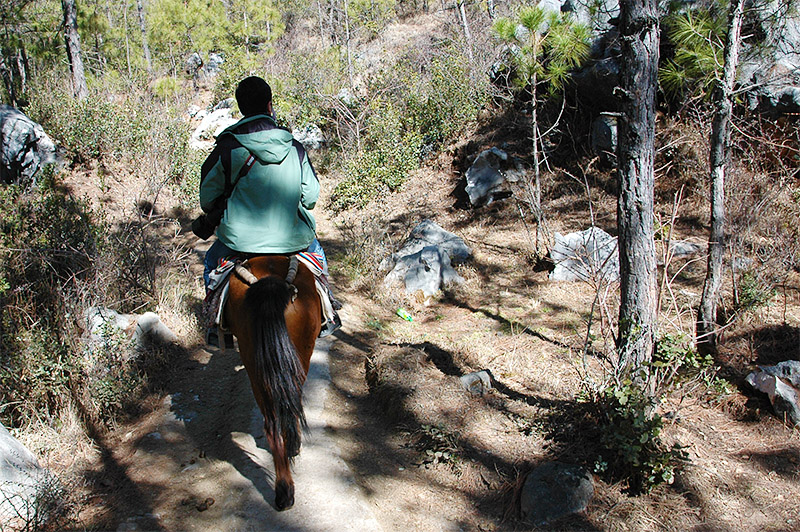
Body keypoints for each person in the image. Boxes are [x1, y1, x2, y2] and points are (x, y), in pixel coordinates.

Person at [199, 76, 340, 341]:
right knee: (318, 257)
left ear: (241, 108)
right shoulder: (294, 148)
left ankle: (213, 325)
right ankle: (328, 312)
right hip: (292, 240)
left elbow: (207, 200)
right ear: (270, 105)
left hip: (240, 243)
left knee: (210, 261)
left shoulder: (227, 147)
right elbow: (310, 198)